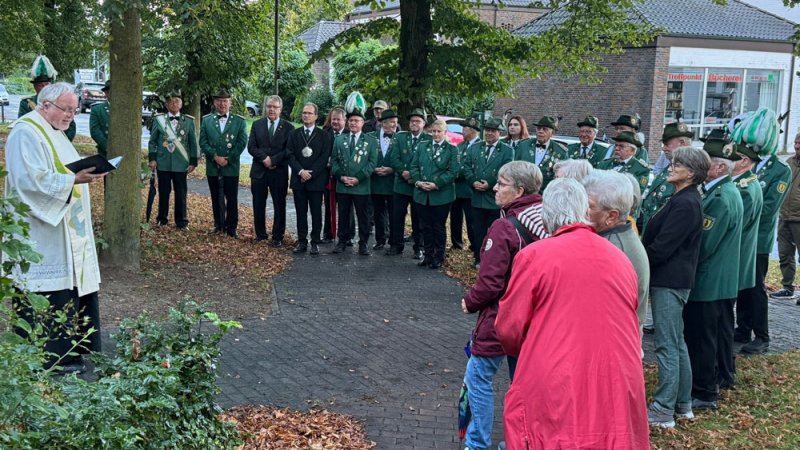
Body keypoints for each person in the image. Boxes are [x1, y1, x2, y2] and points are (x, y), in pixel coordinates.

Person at [496, 178, 649, 450]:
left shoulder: (535, 255)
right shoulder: (619, 258)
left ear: (545, 218)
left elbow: (510, 328)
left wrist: (534, 348)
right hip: (617, 374)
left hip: (557, 370)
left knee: (552, 435)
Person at [6, 82, 106, 372]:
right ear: (45, 104)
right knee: (50, 293)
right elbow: (29, 182)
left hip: (67, 228)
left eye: (74, 111)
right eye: (67, 109)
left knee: (71, 292)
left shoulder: (55, 131)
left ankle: (68, 353)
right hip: (41, 233)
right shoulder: (26, 132)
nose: (71, 116)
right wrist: (72, 181)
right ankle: (46, 358)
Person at [459, 161, 547, 450]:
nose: (495, 187)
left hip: (503, 318)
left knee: (478, 379)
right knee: (521, 384)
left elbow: (490, 283)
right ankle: (520, 442)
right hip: (535, 317)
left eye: (501, 182)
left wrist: (470, 302)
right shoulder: (547, 216)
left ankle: (477, 444)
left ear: (519, 190)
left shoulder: (504, 227)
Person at [642, 146, 709, 428]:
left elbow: (663, 247)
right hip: (673, 279)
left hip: (670, 280)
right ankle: (682, 404)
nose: (671, 167)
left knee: (667, 345)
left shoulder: (686, 203)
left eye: (678, 164)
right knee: (677, 343)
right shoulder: (682, 198)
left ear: (691, 173)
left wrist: (638, 263)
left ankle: (663, 409)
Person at [685, 135, 743, 410]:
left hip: (710, 282)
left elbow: (705, 244)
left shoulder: (720, 197)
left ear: (719, 168)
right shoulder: (721, 192)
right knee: (716, 335)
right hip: (720, 280)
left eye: (707, 162)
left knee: (702, 338)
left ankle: (705, 391)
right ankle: (720, 377)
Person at [737, 135, 791, 349]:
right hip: (741, 236)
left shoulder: (780, 170)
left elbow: (768, 208)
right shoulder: (751, 163)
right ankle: (743, 327)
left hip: (758, 238)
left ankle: (762, 336)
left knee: (756, 286)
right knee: (742, 284)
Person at [583, 170, 650, 340]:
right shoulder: (616, 238)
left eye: (589, 206)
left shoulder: (610, 250)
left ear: (611, 216)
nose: (582, 210)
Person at [463, 117, 514, 267]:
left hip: (494, 198)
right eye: (487, 130)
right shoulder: (474, 147)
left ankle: (491, 260)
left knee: (494, 232)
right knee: (477, 229)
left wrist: (490, 183)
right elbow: (466, 166)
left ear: (499, 132)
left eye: (493, 131)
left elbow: (506, 171)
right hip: (477, 197)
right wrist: (473, 181)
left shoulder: (507, 150)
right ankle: (478, 258)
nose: (489, 133)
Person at [730, 144, 764, 355]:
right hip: (736, 253)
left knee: (725, 307)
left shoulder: (746, 188)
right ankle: (741, 331)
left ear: (744, 161)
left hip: (736, 254)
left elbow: (735, 226)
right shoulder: (741, 185)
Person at [331, 104, 379, 255]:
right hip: (343, 184)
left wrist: (358, 178)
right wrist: (340, 176)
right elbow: (334, 161)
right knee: (344, 214)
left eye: (356, 120)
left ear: (362, 123)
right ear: (347, 122)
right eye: (351, 120)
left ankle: (363, 243)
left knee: (363, 216)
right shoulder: (339, 140)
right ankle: (342, 241)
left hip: (361, 186)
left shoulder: (370, 141)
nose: (353, 123)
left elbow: (372, 163)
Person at [200, 89, 248, 238]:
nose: (222, 104)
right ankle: (219, 225)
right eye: (219, 101)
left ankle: (232, 228)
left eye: (225, 101)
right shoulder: (206, 120)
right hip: (213, 166)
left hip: (231, 167)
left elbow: (241, 142)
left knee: (232, 197)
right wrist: (214, 156)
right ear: (215, 103)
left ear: (230, 103)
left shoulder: (239, 121)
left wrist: (228, 159)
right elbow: (203, 141)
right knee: (216, 196)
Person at [410, 119, 459, 269]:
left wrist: (437, 184)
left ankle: (439, 256)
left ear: (445, 133)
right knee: (425, 226)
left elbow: (453, 171)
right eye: (434, 131)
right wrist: (418, 181)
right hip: (422, 193)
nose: (436, 134)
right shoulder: (422, 146)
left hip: (441, 195)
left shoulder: (452, 149)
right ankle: (428, 254)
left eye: (439, 131)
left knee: (438, 226)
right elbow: (414, 166)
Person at [248, 95, 295, 246]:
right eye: (269, 106)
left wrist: (273, 160)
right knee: (258, 203)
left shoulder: (288, 127)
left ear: (281, 109)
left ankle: (277, 237)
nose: (272, 109)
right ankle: (261, 235)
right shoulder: (257, 125)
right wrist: (265, 159)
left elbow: (289, 150)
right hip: (259, 171)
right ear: (265, 107)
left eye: (275, 107)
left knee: (279, 205)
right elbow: (252, 147)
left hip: (278, 172)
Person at [147, 91, 198, 230]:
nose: (174, 104)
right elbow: (152, 142)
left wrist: (193, 161)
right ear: (166, 104)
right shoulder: (159, 119)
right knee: (163, 192)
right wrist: (152, 159)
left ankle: (182, 222)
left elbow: (193, 143)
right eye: (170, 101)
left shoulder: (188, 121)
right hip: (163, 162)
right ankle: (162, 219)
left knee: (181, 193)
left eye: (176, 101)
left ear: (181, 104)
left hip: (181, 164)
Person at [287, 102, 331, 255]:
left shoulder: (324, 135)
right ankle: (302, 241)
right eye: (304, 113)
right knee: (300, 212)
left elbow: (324, 157)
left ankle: (315, 241)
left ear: (316, 117)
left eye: (309, 113)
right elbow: (290, 155)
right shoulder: (294, 133)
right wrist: (300, 171)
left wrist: (311, 173)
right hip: (299, 179)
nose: (306, 115)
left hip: (316, 180)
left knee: (316, 212)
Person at [387, 108, 431, 258]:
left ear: (424, 123)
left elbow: (429, 161)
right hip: (401, 184)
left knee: (419, 218)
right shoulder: (400, 137)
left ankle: (419, 247)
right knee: (397, 216)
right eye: (412, 121)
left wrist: (414, 175)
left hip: (418, 185)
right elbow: (394, 157)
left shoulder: (429, 139)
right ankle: (395, 245)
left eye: (418, 121)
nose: (414, 123)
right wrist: (403, 172)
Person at [638, 122, 694, 234]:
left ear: (682, 143)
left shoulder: (690, 171)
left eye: (667, 144)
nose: (663, 149)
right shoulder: (669, 166)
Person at [18, 55, 76, 141]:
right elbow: (23, 124)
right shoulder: (26, 102)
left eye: (46, 84)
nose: (44, 88)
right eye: (40, 85)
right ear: (34, 86)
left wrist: (62, 141)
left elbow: (70, 126)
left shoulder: (60, 101)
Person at [773, 132, 800, 302]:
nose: (797, 146)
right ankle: (787, 287)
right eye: (796, 142)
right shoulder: (789, 163)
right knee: (785, 253)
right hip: (784, 217)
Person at [450, 117, 482, 251]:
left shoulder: (481, 146)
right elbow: (455, 163)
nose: (462, 131)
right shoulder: (460, 146)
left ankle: (474, 244)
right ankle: (456, 243)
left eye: (465, 129)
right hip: (457, 188)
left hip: (470, 190)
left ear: (473, 131)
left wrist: (459, 172)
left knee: (471, 220)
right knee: (455, 217)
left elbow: (474, 167)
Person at [368, 109, 398, 251]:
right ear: (383, 124)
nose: (394, 125)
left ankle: (394, 240)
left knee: (394, 212)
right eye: (392, 122)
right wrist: (372, 169)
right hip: (376, 181)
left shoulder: (400, 138)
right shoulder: (371, 137)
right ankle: (380, 239)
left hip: (392, 182)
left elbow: (403, 159)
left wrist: (392, 169)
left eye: (395, 122)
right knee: (378, 211)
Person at [514, 116, 567, 189]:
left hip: (546, 193)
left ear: (552, 133)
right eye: (538, 128)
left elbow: (563, 177)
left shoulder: (560, 151)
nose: (540, 131)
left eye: (545, 129)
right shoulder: (523, 146)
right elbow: (514, 168)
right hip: (524, 191)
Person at [323, 107, 348, 243]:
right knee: (328, 205)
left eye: (338, 119)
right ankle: (328, 233)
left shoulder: (350, 134)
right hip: (328, 176)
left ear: (344, 120)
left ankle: (347, 236)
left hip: (345, 176)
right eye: (333, 119)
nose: (335, 122)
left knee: (346, 207)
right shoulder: (325, 133)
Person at [89, 80, 112, 158]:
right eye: (111, 91)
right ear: (106, 93)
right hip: (105, 152)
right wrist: (108, 148)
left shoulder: (126, 110)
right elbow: (95, 131)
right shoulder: (97, 110)